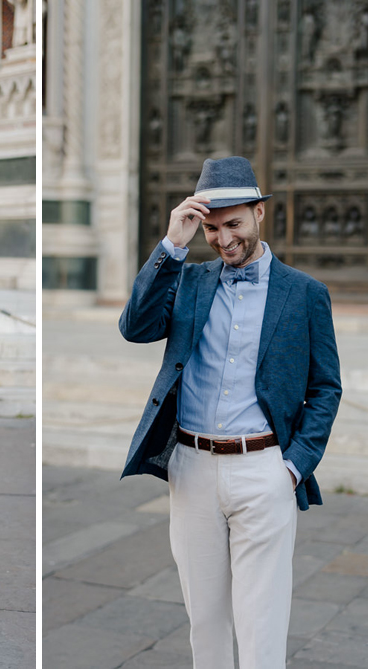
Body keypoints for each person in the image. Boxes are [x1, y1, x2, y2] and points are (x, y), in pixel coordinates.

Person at [119, 156, 341, 668]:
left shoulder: (306, 294)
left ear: (260, 213)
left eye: (234, 224)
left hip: (264, 470)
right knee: (205, 621)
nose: (223, 239)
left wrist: (292, 467)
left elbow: (326, 387)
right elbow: (135, 326)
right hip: (192, 469)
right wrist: (173, 243)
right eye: (212, 229)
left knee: (261, 622)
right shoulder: (190, 280)